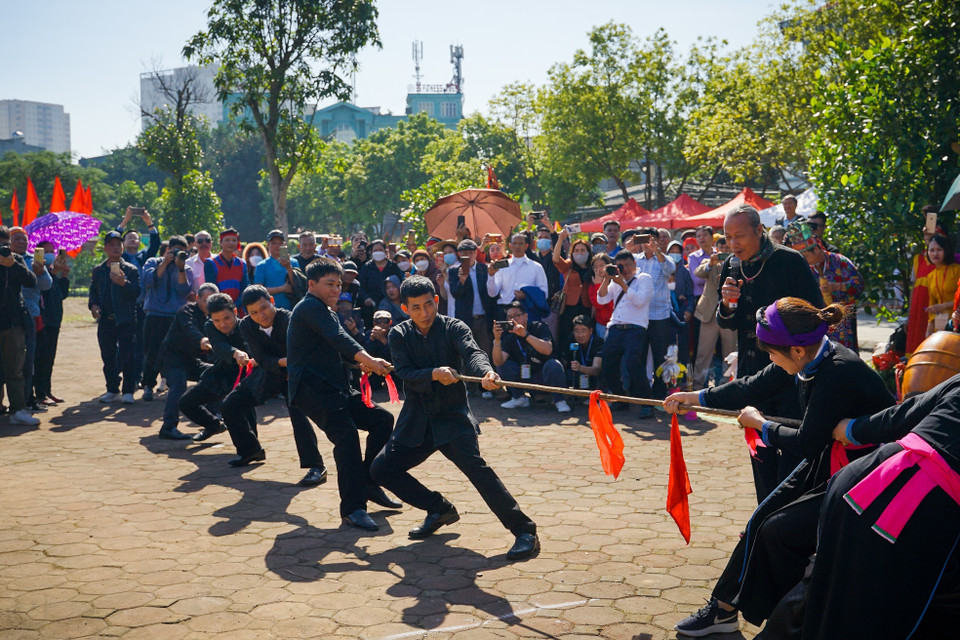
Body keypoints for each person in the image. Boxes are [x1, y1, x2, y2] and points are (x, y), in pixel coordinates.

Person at [665, 298, 894, 636]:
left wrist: (761, 425)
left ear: (796, 350)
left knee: (780, 531)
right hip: (830, 459)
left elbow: (805, 442)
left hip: (868, 476)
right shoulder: (806, 358)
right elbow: (751, 386)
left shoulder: (837, 371)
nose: (770, 359)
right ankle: (724, 610)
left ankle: (789, 621)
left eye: (772, 353)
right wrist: (695, 397)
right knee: (760, 521)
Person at [370, 276, 540, 560]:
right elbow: (405, 373)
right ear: (404, 309)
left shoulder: (454, 327)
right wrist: (433, 374)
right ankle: (438, 508)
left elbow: (472, 352)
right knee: (381, 470)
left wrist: (487, 372)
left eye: (428, 305)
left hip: (452, 417)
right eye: (415, 308)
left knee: (478, 471)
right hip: (417, 421)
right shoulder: (399, 335)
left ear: (436, 301)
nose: (424, 313)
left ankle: (525, 531)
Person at [801, 376, 960, 638]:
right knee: (882, 616)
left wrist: (853, 429)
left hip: (860, 479)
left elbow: (907, 412)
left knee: (831, 596)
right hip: (914, 511)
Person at [717, 204, 824, 500]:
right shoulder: (731, 266)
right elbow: (727, 322)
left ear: (759, 231)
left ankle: (788, 518)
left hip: (790, 372)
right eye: (728, 237)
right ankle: (765, 516)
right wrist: (727, 304)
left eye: (739, 236)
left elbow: (815, 314)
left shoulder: (788, 261)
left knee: (791, 446)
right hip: (752, 370)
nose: (733, 244)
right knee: (760, 450)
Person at [287, 259, 397, 532]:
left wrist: (356, 363)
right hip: (311, 390)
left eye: (338, 284)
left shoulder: (325, 309)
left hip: (334, 386)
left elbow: (332, 349)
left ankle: (369, 483)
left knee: (381, 420)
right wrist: (369, 359)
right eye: (329, 284)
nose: (336, 289)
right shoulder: (310, 307)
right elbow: (338, 338)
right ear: (311, 285)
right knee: (346, 437)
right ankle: (353, 508)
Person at [219, 286, 328, 485]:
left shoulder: (290, 319)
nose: (260, 315)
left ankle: (316, 466)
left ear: (272, 301)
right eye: (253, 312)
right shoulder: (246, 326)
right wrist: (282, 362)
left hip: (297, 376)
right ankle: (250, 450)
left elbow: (303, 353)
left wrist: (287, 363)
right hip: (268, 374)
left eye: (264, 308)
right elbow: (260, 357)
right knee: (229, 406)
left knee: (298, 417)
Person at [179, 293, 247, 443]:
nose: (222, 324)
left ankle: (250, 449)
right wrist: (235, 353)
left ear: (235, 312)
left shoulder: (246, 326)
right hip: (219, 375)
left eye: (227, 318)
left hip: (244, 377)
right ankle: (214, 425)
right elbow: (220, 347)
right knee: (186, 402)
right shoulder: (210, 326)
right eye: (217, 320)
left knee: (241, 411)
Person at [156, 283, 219, 440]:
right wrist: (202, 340)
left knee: (217, 374)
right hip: (171, 358)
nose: (209, 305)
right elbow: (190, 328)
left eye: (212, 301)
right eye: (206, 300)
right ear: (197, 298)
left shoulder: (214, 316)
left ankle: (213, 420)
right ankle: (168, 427)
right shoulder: (186, 311)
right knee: (179, 384)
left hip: (191, 360)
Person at [596, 250, 655, 418]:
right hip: (615, 327)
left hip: (635, 328)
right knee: (607, 364)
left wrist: (622, 284)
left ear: (635, 264)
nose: (626, 268)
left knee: (633, 364)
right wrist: (607, 278)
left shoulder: (644, 279)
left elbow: (640, 301)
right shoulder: (615, 281)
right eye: (621, 266)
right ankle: (621, 399)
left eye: (628, 264)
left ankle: (647, 403)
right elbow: (601, 300)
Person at [787, 223, 864, 350]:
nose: (805, 260)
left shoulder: (839, 261)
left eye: (806, 256)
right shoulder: (805, 268)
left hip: (841, 322)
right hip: (816, 323)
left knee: (844, 356)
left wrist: (837, 286)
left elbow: (859, 284)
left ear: (816, 249)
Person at [89, 230, 142, 404]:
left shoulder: (131, 269)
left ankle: (128, 391)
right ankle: (112, 389)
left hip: (126, 319)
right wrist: (94, 306)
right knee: (108, 356)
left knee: (128, 356)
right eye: (112, 245)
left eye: (118, 244)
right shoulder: (98, 270)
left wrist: (123, 283)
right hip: (105, 320)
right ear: (105, 248)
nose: (116, 248)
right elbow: (93, 293)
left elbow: (136, 293)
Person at [140, 236, 194, 401]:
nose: (178, 254)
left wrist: (180, 268)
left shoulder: (186, 268)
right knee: (152, 352)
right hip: (155, 315)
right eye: (175, 250)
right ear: (168, 249)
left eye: (182, 252)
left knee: (176, 352)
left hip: (176, 317)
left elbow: (183, 290)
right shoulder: (152, 262)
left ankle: (174, 385)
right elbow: (148, 281)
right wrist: (165, 263)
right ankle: (148, 385)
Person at [493, 301, 570, 413]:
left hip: (543, 377)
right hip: (525, 378)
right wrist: (497, 340)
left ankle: (559, 401)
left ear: (525, 316)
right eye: (509, 317)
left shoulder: (539, 327)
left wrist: (525, 335)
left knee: (553, 364)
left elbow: (547, 349)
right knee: (504, 365)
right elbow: (498, 362)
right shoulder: (509, 336)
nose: (513, 320)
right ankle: (519, 398)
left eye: (516, 315)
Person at [0, 226, 39, 425]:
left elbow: (31, 281)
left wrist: (12, 264)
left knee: (15, 369)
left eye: (5, 244)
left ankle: (18, 410)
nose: (3, 248)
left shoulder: (16, 259)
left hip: (13, 324)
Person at [9, 227, 51, 412]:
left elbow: (46, 285)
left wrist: (40, 272)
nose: (21, 242)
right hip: (8, 317)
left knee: (28, 361)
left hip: (30, 316)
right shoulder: (4, 260)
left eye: (24, 239)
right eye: (16, 238)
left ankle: (26, 401)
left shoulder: (33, 260)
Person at [632, 228, 676, 399]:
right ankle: (641, 395)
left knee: (660, 357)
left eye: (651, 239)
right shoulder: (634, 260)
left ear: (657, 241)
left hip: (660, 316)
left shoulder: (665, 259)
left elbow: (669, 269)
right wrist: (629, 248)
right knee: (639, 357)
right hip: (639, 316)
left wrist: (656, 250)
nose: (647, 243)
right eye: (644, 239)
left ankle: (659, 394)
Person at [692, 249, 736, 387]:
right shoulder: (709, 262)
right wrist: (711, 263)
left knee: (730, 353)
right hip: (709, 314)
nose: (724, 251)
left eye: (726, 248)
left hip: (730, 313)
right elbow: (698, 273)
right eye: (720, 247)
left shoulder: (737, 263)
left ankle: (727, 384)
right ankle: (697, 384)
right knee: (703, 353)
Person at [34, 241, 70, 406]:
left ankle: (47, 390)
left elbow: (61, 295)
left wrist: (64, 276)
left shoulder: (53, 272)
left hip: (55, 320)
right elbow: (44, 294)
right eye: (45, 251)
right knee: (40, 358)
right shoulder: (38, 271)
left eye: (52, 251)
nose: (50, 254)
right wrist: (53, 274)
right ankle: (40, 393)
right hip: (43, 321)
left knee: (49, 358)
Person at [448, 239, 496, 358]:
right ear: (459, 254)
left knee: (485, 352)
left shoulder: (484, 268)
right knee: (467, 353)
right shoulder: (454, 271)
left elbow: (491, 292)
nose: (468, 256)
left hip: (484, 318)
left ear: (476, 253)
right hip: (466, 319)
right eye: (465, 253)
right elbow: (455, 293)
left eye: (470, 252)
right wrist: (462, 280)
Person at [486, 234, 549, 316]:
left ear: (526, 246)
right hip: (505, 311)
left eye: (520, 243)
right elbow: (492, 293)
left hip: (527, 311)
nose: (517, 246)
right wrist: (491, 276)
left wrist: (526, 295)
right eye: (514, 243)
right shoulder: (502, 266)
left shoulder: (536, 267)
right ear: (510, 246)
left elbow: (544, 293)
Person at [553, 229, 594, 346]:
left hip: (586, 308)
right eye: (576, 250)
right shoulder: (568, 266)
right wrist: (560, 239)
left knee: (584, 338)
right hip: (569, 308)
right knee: (567, 337)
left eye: (582, 250)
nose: (579, 253)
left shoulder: (593, 267)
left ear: (588, 252)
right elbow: (555, 259)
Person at [922, 234, 960, 336]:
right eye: (932, 250)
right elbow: (932, 302)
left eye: (939, 249)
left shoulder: (957, 270)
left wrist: (942, 306)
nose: (935, 253)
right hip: (938, 325)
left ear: (946, 250)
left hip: (956, 322)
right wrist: (930, 325)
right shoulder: (930, 276)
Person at [666, 241, 695, 369]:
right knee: (667, 346)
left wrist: (689, 310)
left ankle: (682, 377)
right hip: (665, 312)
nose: (675, 254)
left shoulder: (685, 272)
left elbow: (690, 294)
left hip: (681, 312)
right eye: (672, 251)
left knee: (682, 345)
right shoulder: (664, 269)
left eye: (678, 252)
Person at [204, 229, 249, 307]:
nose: (231, 243)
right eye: (227, 240)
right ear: (220, 242)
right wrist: (226, 306)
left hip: (239, 309)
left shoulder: (242, 263)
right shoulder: (211, 263)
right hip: (219, 307)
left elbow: (245, 288)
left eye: (234, 240)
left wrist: (235, 305)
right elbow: (212, 289)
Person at [358, 239, 402, 319]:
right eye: (375, 250)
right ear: (371, 253)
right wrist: (366, 298)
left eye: (380, 250)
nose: (378, 252)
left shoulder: (393, 267)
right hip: (371, 308)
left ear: (385, 252)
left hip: (392, 307)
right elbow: (361, 287)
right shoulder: (366, 267)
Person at [253, 230, 296, 311]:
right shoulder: (261, 266)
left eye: (280, 243)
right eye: (274, 243)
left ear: (284, 244)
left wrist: (288, 267)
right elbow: (259, 290)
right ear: (268, 245)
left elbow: (299, 286)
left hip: (293, 309)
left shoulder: (294, 262)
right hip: (270, 310)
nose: (277, 246)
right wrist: (282, 288)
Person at [566, 315, 603, 391]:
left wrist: (580, 368)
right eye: (576, 331)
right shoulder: (569, 340)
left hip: (593, 377)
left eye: (583, 331)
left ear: (590, 331)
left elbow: (596, 369)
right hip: (575, 376)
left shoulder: (598, 342)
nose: (580, 335)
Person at [588, 254, 615, 339]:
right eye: (595, 267)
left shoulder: (615, 282)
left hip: (614, 324)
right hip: (601, 325)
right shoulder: (592, 285)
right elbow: (599, 304)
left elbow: (610, 305)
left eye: (602, 266)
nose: (599, 269)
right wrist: (597, 285)